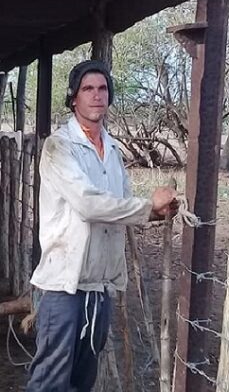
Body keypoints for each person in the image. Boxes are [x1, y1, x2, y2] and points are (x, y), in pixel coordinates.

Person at [26, 60, 179, 391]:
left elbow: (121, 205)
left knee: (82, 381)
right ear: (73, 99)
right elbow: (88, 203)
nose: (96, 96)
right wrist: (145, 206)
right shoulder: (59, 147)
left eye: (103, 89)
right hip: (63, 286)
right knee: (49, 382)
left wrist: (157, 212)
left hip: (99, 288)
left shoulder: (111, 150)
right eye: (88, 89)